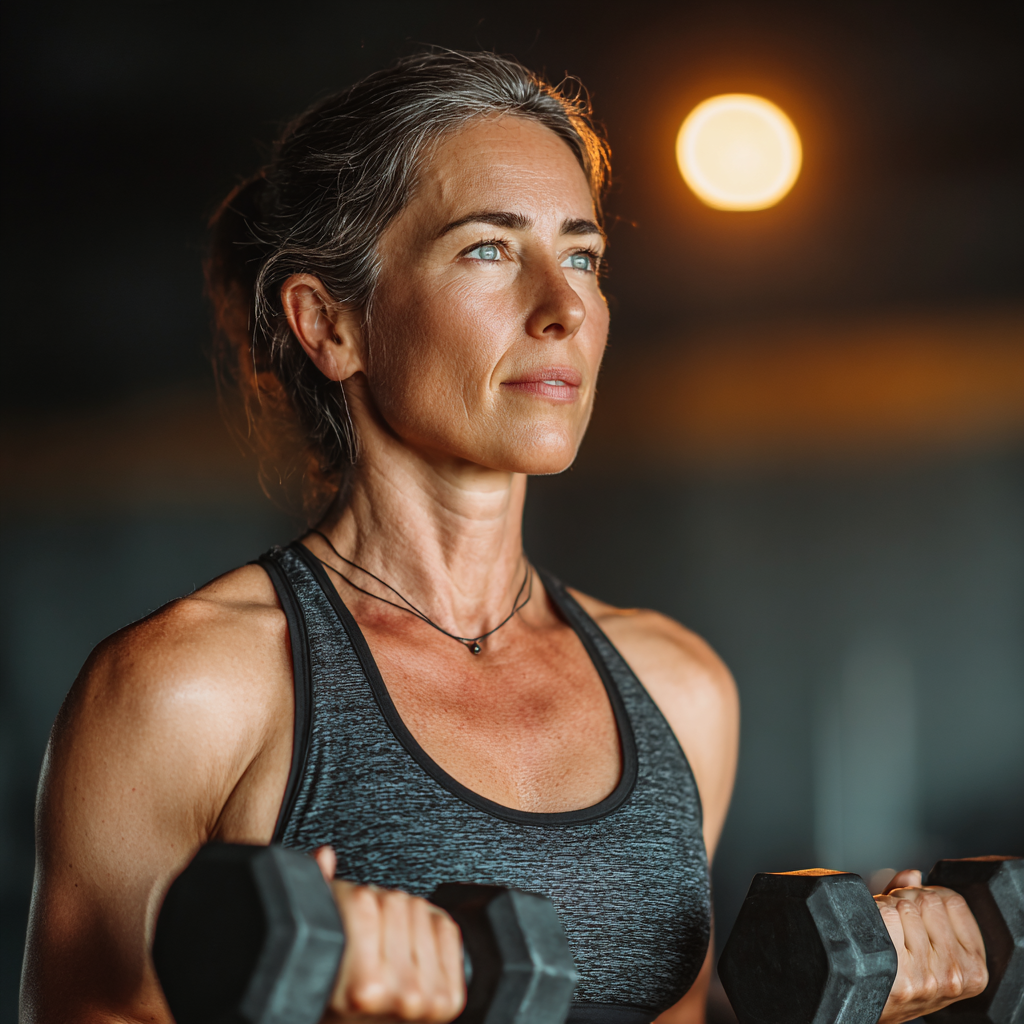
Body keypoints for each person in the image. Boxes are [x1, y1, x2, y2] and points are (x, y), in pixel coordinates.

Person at [21, 51, 988, 1024]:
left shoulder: (676, 686)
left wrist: (855, 1001)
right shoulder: (189, 688)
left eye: (582, 256)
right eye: (488, 248)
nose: (564, 308)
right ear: (331, 324)